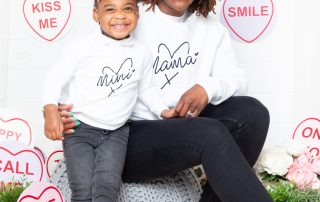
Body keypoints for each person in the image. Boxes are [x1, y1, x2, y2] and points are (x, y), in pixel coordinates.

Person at [58, 0, 272, 201]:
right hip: (125, 140)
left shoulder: (211, 30)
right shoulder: (130, 16)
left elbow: (237, 79)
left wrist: (207, 88)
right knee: (208, 133)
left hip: (178, 128)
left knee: (253, 114)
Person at [42, 0, 176, 201]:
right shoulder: (81, 47)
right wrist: (50, 111)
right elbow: (55, 77)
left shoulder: (141, 52)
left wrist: (163, 110)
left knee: (107, 187)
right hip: (79, 130)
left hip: (116, 133)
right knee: (83, 188)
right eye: (110, 9)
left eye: (127, 8)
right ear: (96, 15)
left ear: (137, 14)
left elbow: (147, 88)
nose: (120, 15)